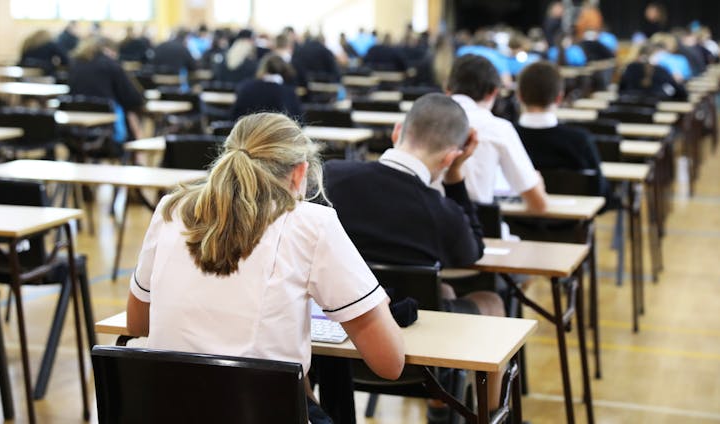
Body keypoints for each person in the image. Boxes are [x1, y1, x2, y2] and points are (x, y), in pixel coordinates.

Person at [126, 112, 405, 423]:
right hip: (256, 410)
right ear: (300, 174)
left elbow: (138, 325)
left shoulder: (172, 209)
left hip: (167, 409)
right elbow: (389, 363)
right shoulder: (311, 223)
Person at [324, 93, 507, 423]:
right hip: (410, 356)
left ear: (397, 132)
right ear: (451, 157)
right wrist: (455, 178)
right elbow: (473, 252)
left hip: (332, 342)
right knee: (490, 301)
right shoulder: (441, 212)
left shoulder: (331, 177)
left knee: (445, 292)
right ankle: (481, 414)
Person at [445, 54, 547, 213]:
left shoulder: (422, 120)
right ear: (493, 92)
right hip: (476, 230)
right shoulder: (498, 128)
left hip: (422, 232)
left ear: (447, 89)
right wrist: (538, 183)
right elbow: (538, 204)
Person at [515, 61, 610, 200]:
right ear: (559, 97)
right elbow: (600, 192)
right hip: (572, 220)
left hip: (514, 219)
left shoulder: (506, 135)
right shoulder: (580, 140)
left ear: (519, 96)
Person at [68, 37, 144, 151]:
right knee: (131, 114)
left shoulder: (75, 64)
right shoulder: (111, 65)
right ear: (110, 51)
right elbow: (134, 99)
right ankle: (139, 158)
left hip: (74, 135)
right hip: (107, 134)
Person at [230, 54, 302, 121]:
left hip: (248, 132)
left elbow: (234, 116)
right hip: (276, 134)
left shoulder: (245, 87)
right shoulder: (289, 93)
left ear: (263, 68)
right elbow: (298, 121)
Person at [618, 44, 687, 101]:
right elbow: (681, 93)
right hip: (655, 111)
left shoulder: (630, 68)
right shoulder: (660, 70)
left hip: (629, 110)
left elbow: (620, 90)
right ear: (656, 55)